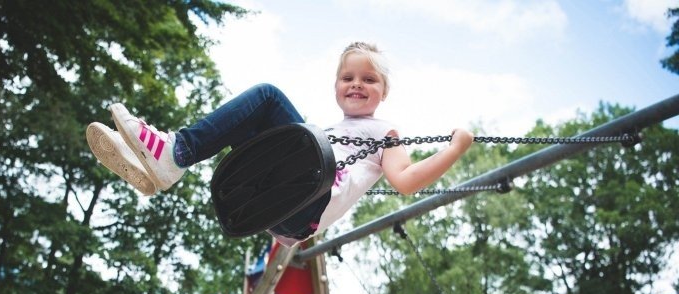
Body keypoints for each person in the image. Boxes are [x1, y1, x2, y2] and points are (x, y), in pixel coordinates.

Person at [86, 42, 474, 246]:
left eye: (369, 79)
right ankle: (153, 163)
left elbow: (405, 181)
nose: (357, 84)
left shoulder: (385, 130)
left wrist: (453, 149)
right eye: (348, 78)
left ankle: (175, 154)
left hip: (312, 197)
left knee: (268, 99)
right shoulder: (333, 130)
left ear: (384, 91)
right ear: (336, 86)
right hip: (281, 208)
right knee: (252, 127)